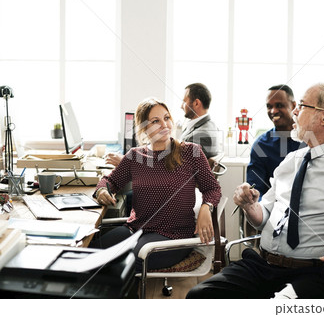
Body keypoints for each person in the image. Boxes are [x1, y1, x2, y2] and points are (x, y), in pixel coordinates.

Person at [186, 83, 324, 299]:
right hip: (263, 264)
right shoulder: (291, 160)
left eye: (303, 106)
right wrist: (250, 206)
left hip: (313, 273)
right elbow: (264, 215)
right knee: (199, 295)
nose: (295, 111)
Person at [91, 98, 221, 271]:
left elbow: (212, 188)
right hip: (135, 230)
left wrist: (207, 207)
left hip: (174, 236)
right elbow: (110, 181)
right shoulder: (134, 156)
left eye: (166, 118)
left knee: (126, 264)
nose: (164, 124)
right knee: (89, 254)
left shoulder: (191, 152)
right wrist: (101, 190)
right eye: (155, 121)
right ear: (144, 128)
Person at [247, 84, 306, 197]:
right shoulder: (261, 145)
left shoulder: (310, 140)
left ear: (293, 105)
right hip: (273, 209)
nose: (273, 111)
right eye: (269, 106)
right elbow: (255, 187)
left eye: (279, 105)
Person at [180, 83, 221, 158]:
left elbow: (183, 167)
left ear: (196, 103)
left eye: (184, 102)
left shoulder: (199, 137)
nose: (181, 106)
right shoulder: (211, 125)